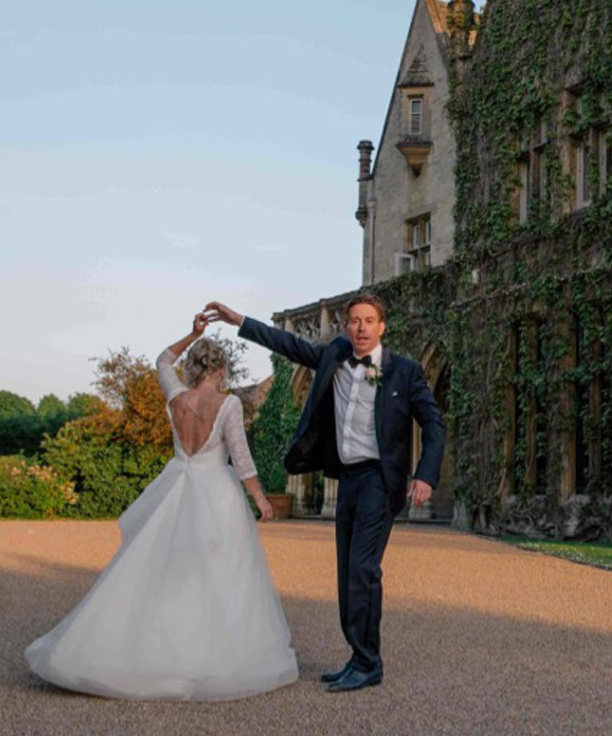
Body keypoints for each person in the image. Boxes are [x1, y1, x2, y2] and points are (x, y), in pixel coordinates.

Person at [24, 312, 298, 701]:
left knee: (164, 566)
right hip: (216, 492)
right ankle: (206, 653)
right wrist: (260, 499)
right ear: (221, 368)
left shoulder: (176, 397)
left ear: (193, 367)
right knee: (219, 571)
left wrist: (191, 333)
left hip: (177, 487)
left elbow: (162, 360)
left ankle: (146, 647)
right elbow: (241, 457)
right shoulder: (229, 405)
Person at [206, 294, 445, 693]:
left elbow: (434, 425)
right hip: (346, 477)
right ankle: (358, 655)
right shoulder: (335, 356)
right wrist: (240, 321)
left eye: (369, 320)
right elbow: (289, 344)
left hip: (379, 480)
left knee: (363, 570)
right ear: (346, 327)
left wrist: (425, 475)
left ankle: (368, 663)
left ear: (382, 327)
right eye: (355, 321)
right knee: (347, 572)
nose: (362, 327)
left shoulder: (405, 371)